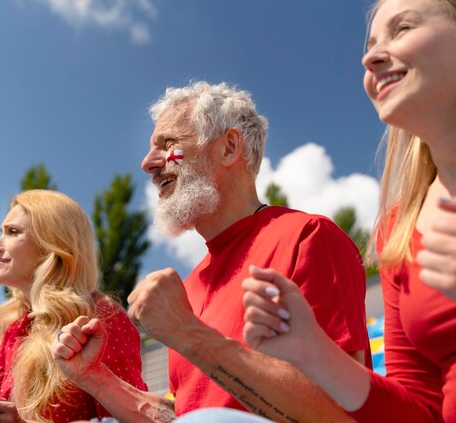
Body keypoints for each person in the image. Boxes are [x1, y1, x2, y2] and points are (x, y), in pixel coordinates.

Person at [242, 0, 456, 422]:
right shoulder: (398, 231)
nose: (370, 57)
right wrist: (311, 348)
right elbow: (418, 410)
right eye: (370, 45)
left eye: (402, 29)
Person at [52, 81, 370, 422]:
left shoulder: (307, 238)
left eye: (168, 144)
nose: (147, 163)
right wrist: (96, 379)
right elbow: (193, 415)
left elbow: (343, 409)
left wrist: (189, 334)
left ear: (229, 147)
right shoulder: (187, 289)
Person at [0, 190, 147, 423]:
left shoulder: (100, 317)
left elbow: (134, 418)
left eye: (13, 232)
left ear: (51, 243)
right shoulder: (16, 328)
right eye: (1, 233)